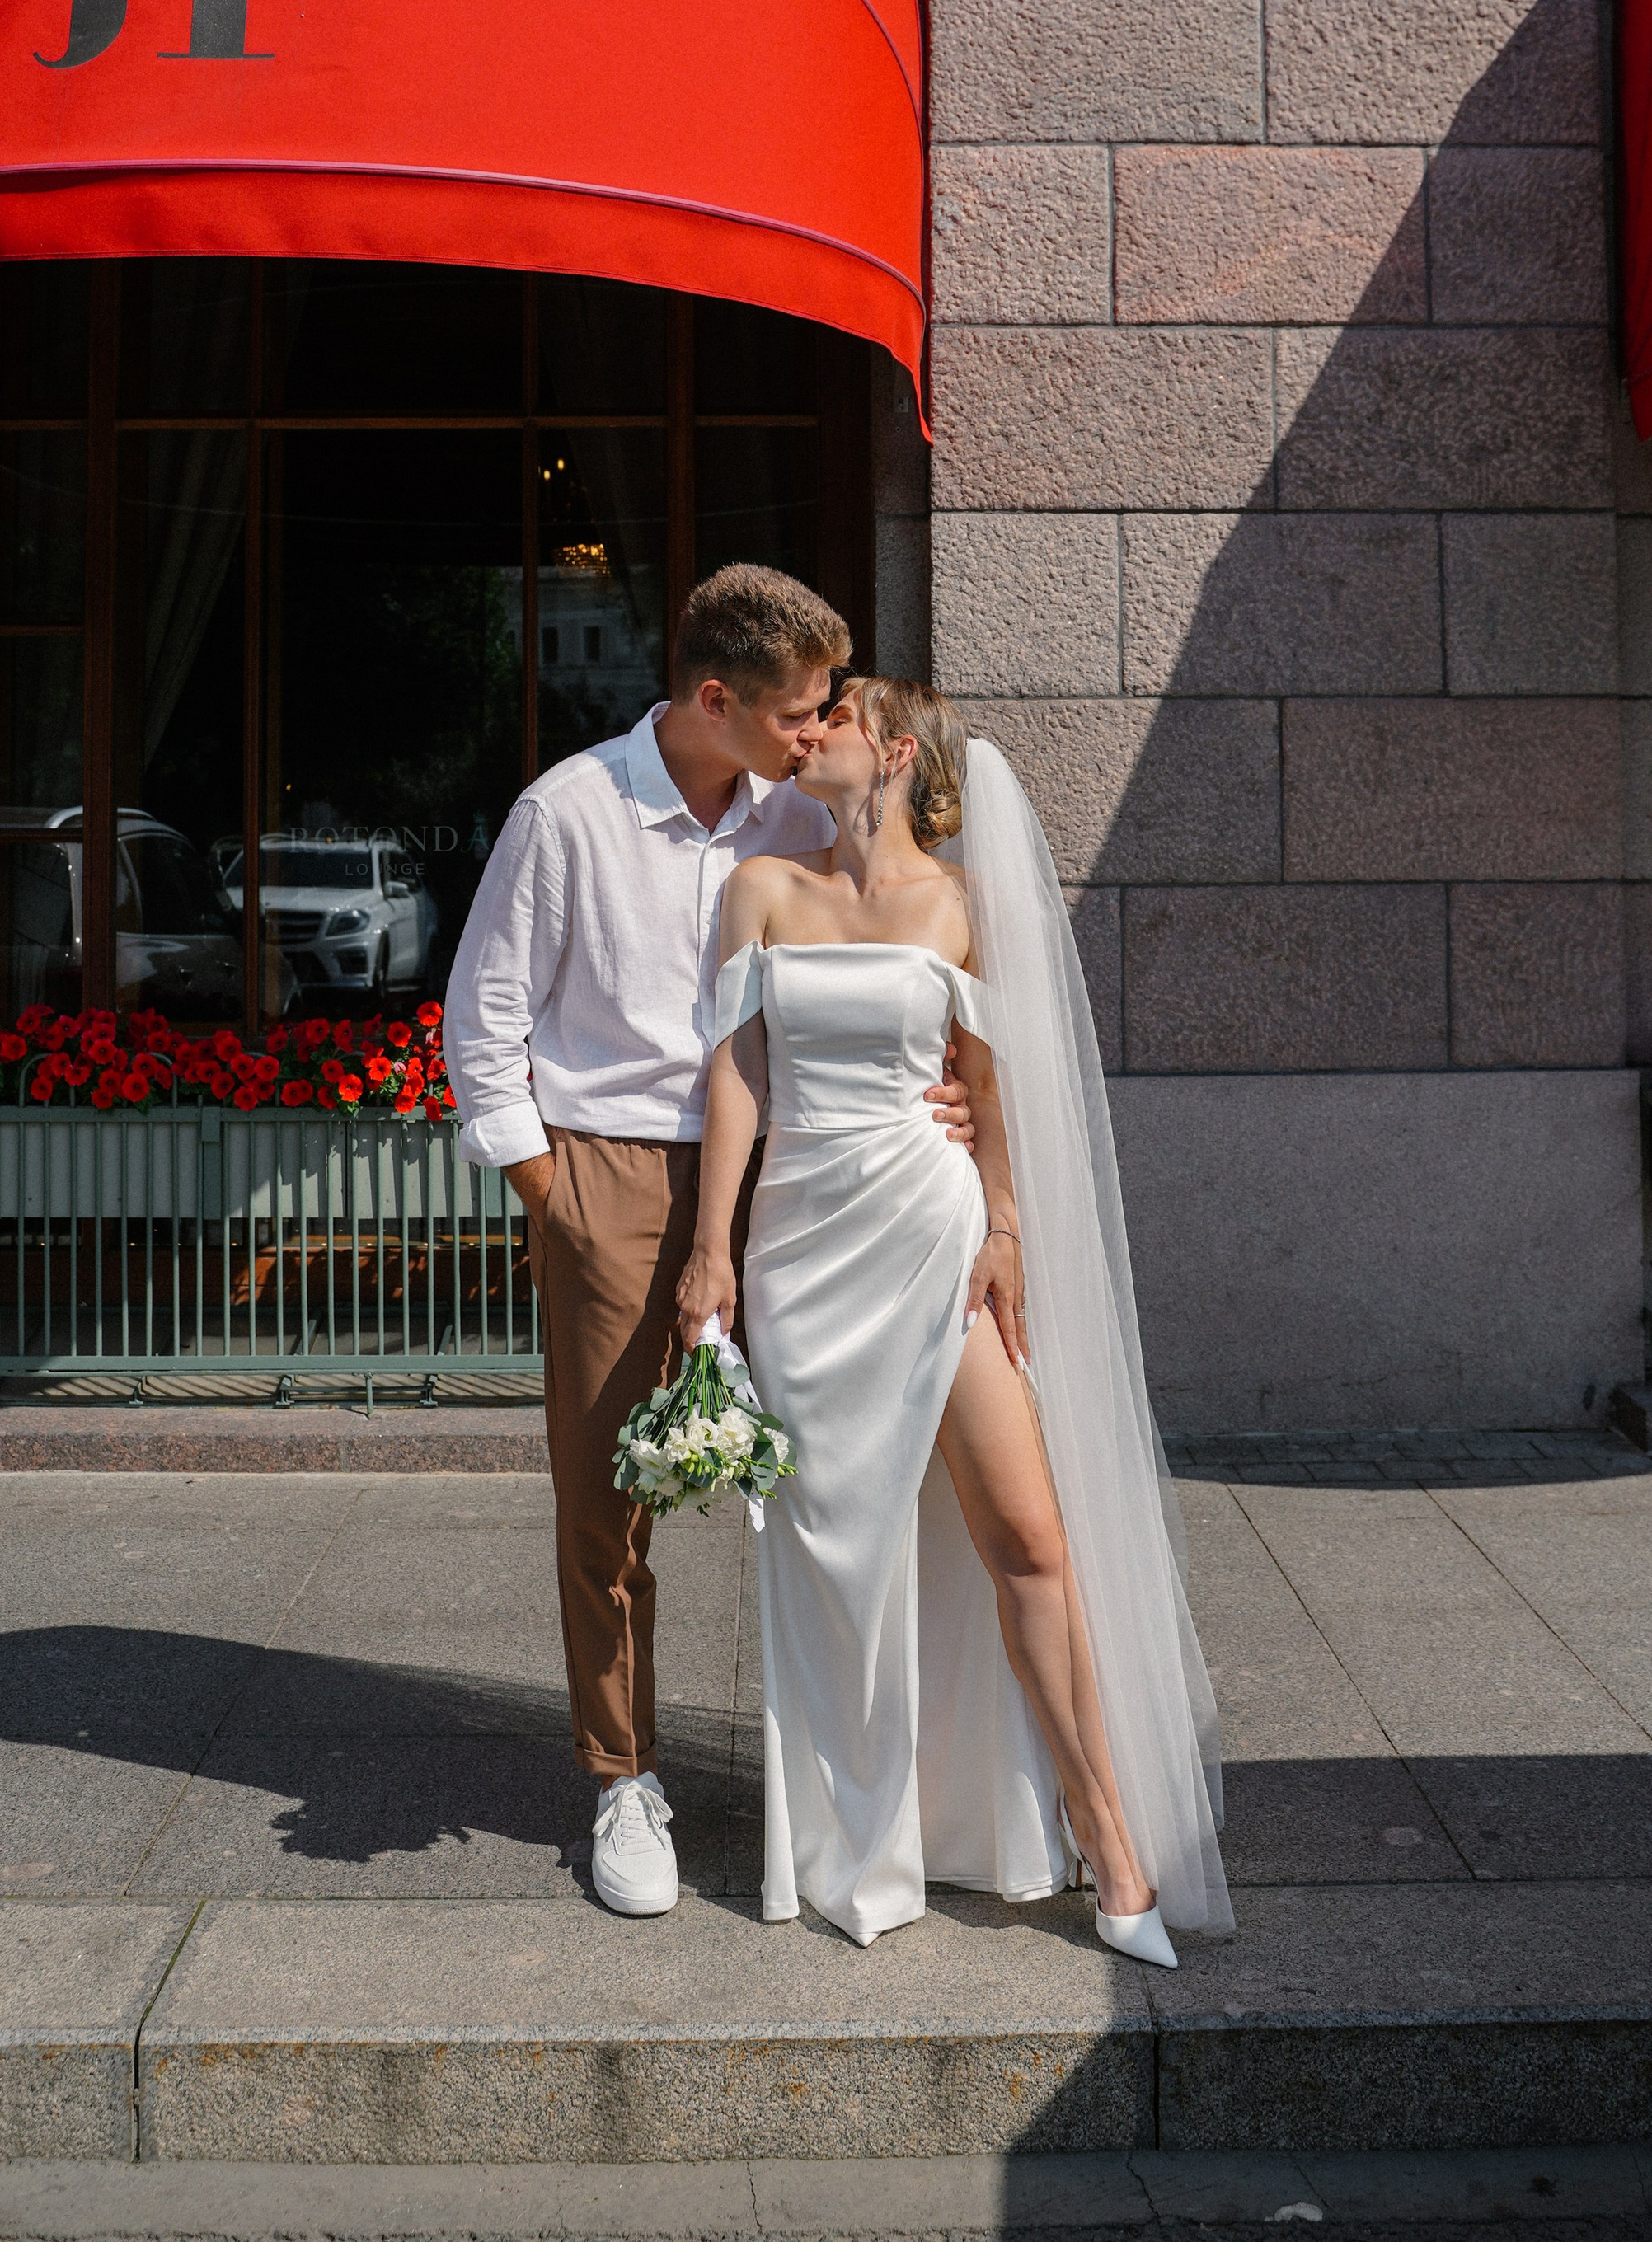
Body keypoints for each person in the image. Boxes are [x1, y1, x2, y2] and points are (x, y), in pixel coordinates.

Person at [444, 570, 975, 1920]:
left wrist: (949, 1082)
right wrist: (555, 1198)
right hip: (613, 1168)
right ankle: (624, 1778)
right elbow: (483, 1021)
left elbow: (897, 936)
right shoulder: (567, 812)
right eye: (798, 712)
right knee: (611, 1492)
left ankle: (858, 1775)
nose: (818, 734)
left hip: (802, 1174)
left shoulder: (803, 804)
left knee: (846, 1475)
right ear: (716, 699)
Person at [677, 678, 1232, 1959]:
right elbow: (740, 1072)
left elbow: (988, 1088)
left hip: (931, 1232)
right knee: (839, 1557)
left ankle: (1110, 1840)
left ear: (900, 751)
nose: (807, 733)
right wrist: (714, 1253)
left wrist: (1006, 1229)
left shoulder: (964, 909)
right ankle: (862, 1843)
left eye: (839, 719)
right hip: (806, 1247)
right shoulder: (761, 888)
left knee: (1030, 1537)